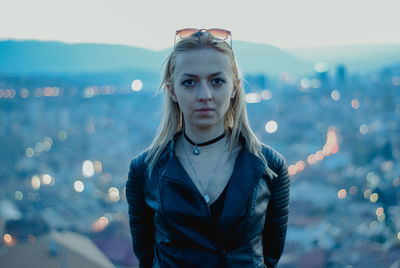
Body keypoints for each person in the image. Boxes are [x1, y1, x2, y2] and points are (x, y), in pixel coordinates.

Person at [126, 28, 290, 268]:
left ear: (234, 88)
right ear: (172, 90)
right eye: (189, 82)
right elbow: (147, 257)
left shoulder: (271, 167)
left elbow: (270, 257)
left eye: (217, 81)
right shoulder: (144, 170)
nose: (204, 95)